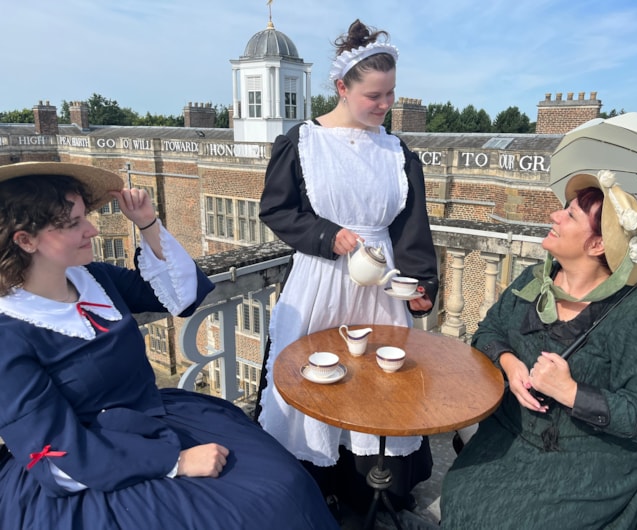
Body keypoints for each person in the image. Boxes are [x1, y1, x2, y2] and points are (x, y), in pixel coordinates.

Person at [0, 162, 338, 529]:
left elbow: (180, 296)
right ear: (25, 240)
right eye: (73, 223)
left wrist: (146, 223)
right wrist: (173, 461)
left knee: (283, 483)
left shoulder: (94, 279)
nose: (92, 229)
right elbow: (55, 453)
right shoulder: (9, 333)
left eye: (85, 217)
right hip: (98, 465)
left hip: (156, 417)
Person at [256, 19, 439, 515]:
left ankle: (373, 489)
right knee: (319, 376)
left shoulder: (399, 152)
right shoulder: (302, 143)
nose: (384, 106)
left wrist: (422, 286)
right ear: (342, 87)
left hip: (380, 283)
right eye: (374, 96)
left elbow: (411, 229)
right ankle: (320, 489)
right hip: (320, 279)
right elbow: (276, 211)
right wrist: (325, 235)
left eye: (391, 96)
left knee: (380, 378)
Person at [441, 170, 637, 529]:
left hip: (588, 457)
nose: (554, 216)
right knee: (461, 492)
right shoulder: (533, 281)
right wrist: (510, 364)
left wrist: (571, 392)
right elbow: (488, 330)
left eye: (570, 215)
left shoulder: (635, 316)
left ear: (597, 245)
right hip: (512, 433)